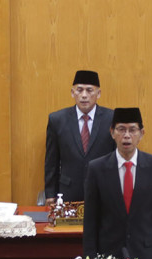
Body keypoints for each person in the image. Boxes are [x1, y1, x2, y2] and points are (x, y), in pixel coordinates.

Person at [82, 107, 152, 259]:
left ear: (141, 133)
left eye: (132, 130)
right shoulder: (96, 169)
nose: (126, 135)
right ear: (112, 132)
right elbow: (90, 222)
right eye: (121, 129)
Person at [44, 69, 114, 202]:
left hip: (103, 191)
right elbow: (51, 161)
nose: (84, 95)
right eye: (79, 90)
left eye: (89, 90)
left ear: (98, 93)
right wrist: (50, 194)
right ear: (72, 92)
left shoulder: (112, 119)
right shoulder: (57, 119)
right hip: (68, 192)